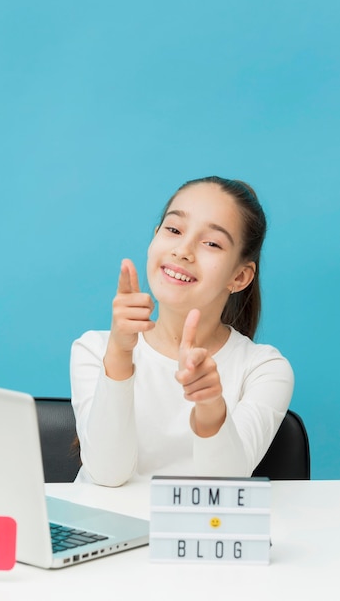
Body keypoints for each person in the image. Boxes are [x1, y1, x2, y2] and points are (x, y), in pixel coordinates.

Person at [70, 176, 294, 486]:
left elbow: (224, 487)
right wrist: (120, 355)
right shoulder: (94, 349)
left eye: (212, 243)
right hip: (108, 530)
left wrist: (210, 404)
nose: (183, 250)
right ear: (154, 239)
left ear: (240, 277)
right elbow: (108, 475)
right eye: (173, 230)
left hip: (199, 532)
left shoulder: (264, 369)